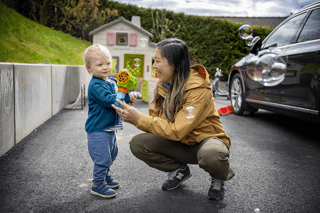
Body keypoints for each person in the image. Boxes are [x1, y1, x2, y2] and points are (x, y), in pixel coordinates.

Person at [112, 38, 235, 200]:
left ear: (174, 63)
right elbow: (157, 124)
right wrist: (132, 117)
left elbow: (177, 129)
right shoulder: (162, 85)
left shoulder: (198, 89)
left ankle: (218, 176)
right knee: (138, 144)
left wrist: (139, 117)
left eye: (157, 61)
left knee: (212, 156)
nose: (154, 65)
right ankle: (179, 170)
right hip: (180, 141)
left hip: (206, 140)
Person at [83, 44, 136, 198]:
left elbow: (121, 89)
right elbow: (108, 100)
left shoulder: (111, 81)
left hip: (109, 127)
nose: (105, 67)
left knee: (112, 153)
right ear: (89, 68)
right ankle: (98, 184)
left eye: (107, 63)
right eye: (99, 65)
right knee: (103, 157)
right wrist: (125, 97)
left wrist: (129, 92)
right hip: (98, 129)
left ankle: (104, 176)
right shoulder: (95, 85)